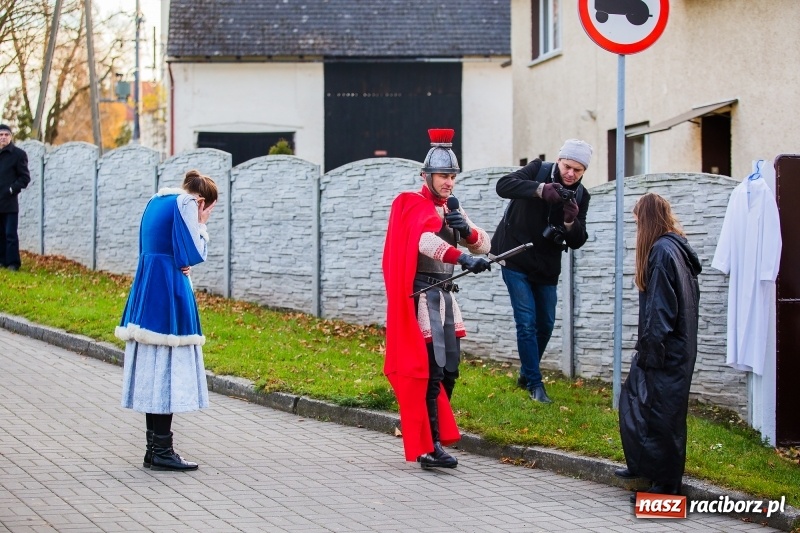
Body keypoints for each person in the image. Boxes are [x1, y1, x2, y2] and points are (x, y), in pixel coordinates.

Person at [383, 128, 492, 469]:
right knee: (430, 372)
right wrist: (462, 258)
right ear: (426, 176)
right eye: (444, 176)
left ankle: (435, 438)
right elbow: (424, 243)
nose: (449, 182)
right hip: (422, 299)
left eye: (453, 176)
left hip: (446, 299)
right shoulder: (413, 205)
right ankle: (429, 447)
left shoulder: (450, 209)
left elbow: (485, 244)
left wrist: (468, 232)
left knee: (449, 372)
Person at [115, 169, 218, 471]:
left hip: (148, 287)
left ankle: (155, 448)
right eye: (210, 208)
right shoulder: (186, 204)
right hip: (168, 290)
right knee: (167, 370)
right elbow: (194, 253)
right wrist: (201, 224)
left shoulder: (157, 201)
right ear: (202, 201)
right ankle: (162, 451)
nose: (208, 213)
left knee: (155, 367)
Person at [490, 139, 592, 403]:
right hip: (514, 255)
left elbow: (578, 241)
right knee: (526, 322)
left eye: (578, 170)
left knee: (545, 324)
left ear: (583, 172)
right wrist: (540, 189)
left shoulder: (582, 195)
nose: (570, 173)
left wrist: (570, 222)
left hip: (546, 265)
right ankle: (535, 385)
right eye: (567, 166)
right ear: (559, 161)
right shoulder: (537, 170)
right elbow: (503, 186)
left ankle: (526, 373)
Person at [615, 192, 702, 501]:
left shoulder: (663, 253)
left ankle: (665, 490)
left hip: (664, 350)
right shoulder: (674, 248)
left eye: (638, 222)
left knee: (662, 417)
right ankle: (642, 466)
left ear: (647, 221)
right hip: (674, 348)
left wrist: (652, 350)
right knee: (638, 404)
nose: (637, 228)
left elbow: (661, 309)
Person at [0, 124, 31, 271]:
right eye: (1, 135)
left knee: (10, 234)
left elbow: (24, 178)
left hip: (10, 202)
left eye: (6, 135)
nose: (3, 137)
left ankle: (13, 263)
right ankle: (2, 261)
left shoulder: (18, 154)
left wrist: (12, 189)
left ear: (11, 137)